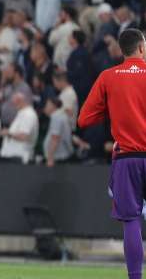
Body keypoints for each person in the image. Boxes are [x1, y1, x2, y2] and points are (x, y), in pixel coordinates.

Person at [78, 28, 146, 279]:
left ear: (121, 50)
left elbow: (84, 119)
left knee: (131, 220)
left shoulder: (108, 77)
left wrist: (113, 110)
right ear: (141, 48)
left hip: (127, 158)